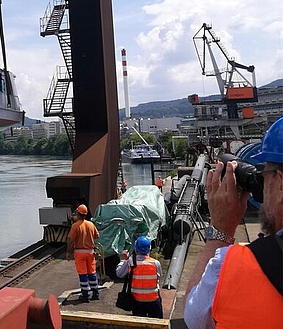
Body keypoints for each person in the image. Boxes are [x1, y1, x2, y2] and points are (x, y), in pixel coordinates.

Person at [184, 116, 283, 329]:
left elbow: (194, 318)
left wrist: (221, 229)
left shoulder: (238, 265)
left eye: (264, 176)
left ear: (280, 183)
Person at [116, 236, 163, 318]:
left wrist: (124, 260)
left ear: (135, 248)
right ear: (149, 249)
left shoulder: (131, 262)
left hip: (137, 301)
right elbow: (158, 277)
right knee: (157, 323)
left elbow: (119, 274)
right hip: (153, 300)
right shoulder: (155, 263)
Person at [66, 204, 100, 302]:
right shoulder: (91, 224)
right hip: (90, 252)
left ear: (77, 213)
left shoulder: (75, 226)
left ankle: (85, 295)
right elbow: (97, 236)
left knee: (83, 274)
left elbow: (70, 240)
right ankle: (95, 293)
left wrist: (68, 252)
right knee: (92, 273)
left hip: (80, 252)